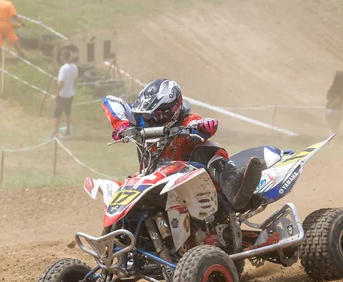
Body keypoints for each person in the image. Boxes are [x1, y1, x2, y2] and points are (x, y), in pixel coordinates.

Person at [102, 79, 263, 211]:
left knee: (208, 148)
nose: (151, 118)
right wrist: (121, 125)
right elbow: (110, 100)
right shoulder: (142, 119)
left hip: (190, 185)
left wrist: (203, 127)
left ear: (173, 109)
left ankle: (234, 187)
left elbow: (203, 125)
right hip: (152, 181)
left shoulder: (187, 122)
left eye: (157, 114)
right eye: (147, 113)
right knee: (119, 191)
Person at [53, 49, 78, 137]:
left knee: (57, 113)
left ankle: (55, 132)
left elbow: (61, 83)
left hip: (62, 95)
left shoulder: (63, 69)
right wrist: (72, 88)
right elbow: (75, 80)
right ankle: (68, 131)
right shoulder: (74, 67)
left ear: (62, 58)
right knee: (68, 113)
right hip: (70, 94)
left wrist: (56, 94)